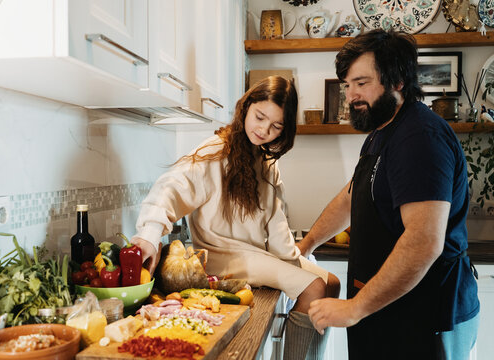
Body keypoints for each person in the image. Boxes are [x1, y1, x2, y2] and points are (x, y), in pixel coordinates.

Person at [297, 30, 480, 360]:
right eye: (348, 84)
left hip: (426, 314)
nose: (351, 94)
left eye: (362, 83)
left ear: (397, 81)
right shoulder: (383, 130)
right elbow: (351, 197)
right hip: (387, 308)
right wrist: (306, 245)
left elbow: (424, 241)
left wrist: (354, 308)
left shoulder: (419, 138)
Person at [131, 75, 340, 360]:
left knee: (332, 283)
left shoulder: (267, 162)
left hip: (257, 255)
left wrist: (293, 264)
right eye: (260, 117)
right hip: (223, 257)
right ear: (246, 107)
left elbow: (277, 225)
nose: (264, 130)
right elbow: (171, 187)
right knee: (314, 287)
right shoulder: (215, 151)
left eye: (276, 125)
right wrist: (148, 235)